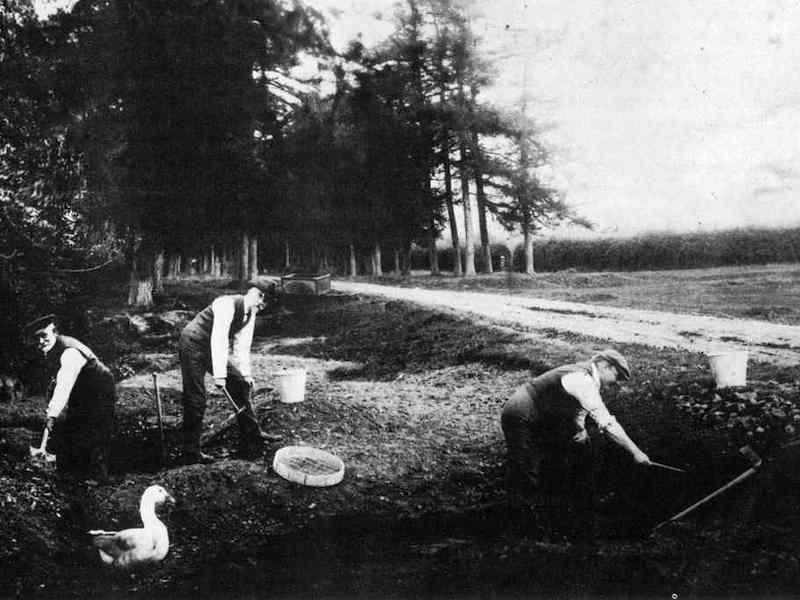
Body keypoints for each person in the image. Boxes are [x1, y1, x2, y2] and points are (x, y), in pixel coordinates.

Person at [501, 349, 651, 503]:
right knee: (525, 465)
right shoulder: (583, 379)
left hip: (539, 412)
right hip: (521, 412)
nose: (616, 383)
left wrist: (580, 428)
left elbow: (579, 406)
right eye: (617, 376)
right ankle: (523, 506)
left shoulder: (586, 375)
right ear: (604, 366)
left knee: (572, 449)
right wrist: (636, 452)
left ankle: (564, 496)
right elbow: (607, 423)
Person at [179, 281, 280, 464]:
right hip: (193, 344)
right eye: (262, 302)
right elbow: (219, 339)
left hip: (211, 348)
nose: (261, 307)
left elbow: (242, 346)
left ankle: (252, 434)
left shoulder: (250, 314)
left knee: (241, 384)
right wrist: (219, 376)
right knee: (196, 398)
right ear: (257, 295)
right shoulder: (226, 304)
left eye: (264, 305)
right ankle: (191, 452)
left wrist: (246, 374)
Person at [26, 314, 116, 483]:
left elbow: (64, 386)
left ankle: (97, 478)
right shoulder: (53, 349)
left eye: (44, 336)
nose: (40, 342)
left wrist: (52, 414)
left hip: (99, 390)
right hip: (82, 390)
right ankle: (73, 474)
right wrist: (51, 408)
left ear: (54, 332)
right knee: (75, 425)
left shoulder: (69, 352)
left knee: (94, 430)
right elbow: (56, 381)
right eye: (37, 338)